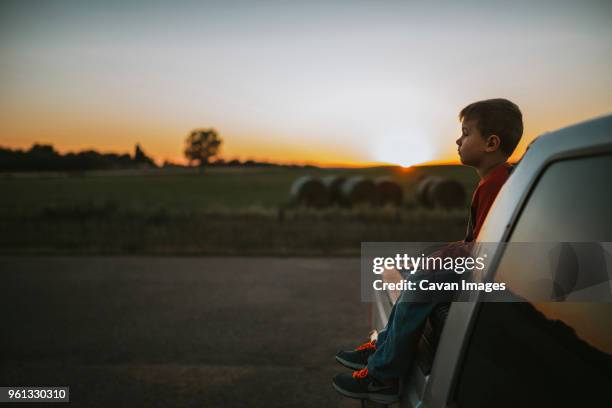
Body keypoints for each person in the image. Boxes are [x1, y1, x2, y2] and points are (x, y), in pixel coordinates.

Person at [332, 98, 524, 404]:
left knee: (420, 282)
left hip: (491, 277)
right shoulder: (498, 180)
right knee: (423, 269)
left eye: (465, 133)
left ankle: (383, 375)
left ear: (490, 143)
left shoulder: (496, 184)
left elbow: (485, 249)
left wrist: (445, 258)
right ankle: (384, 346)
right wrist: (448, 252)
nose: (458, 140)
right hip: (490, 270)